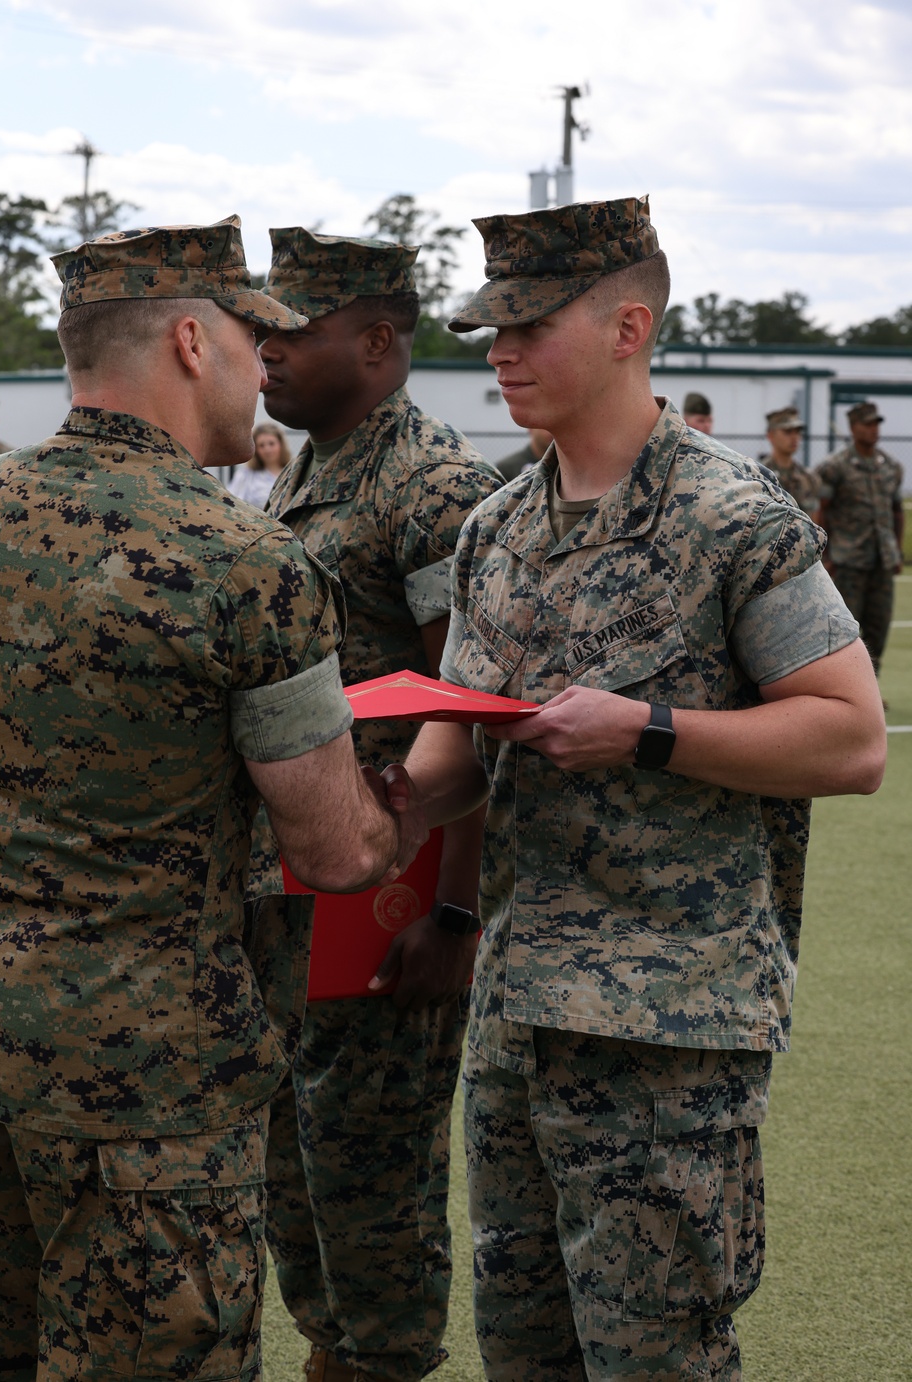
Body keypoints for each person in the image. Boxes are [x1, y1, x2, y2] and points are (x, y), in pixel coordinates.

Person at [0, 215, 426, 1380]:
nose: (269, 364)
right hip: (149, 1092)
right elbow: (338, 851)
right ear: (194, 340)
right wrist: (415, 804)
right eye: (258, 336)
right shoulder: (243, 562)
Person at [395, 195, 886, 1381]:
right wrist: (387, 781)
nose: (500, 352)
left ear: (628, 327)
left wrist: (650, 729)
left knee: (655, 1357)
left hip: (669, 1026)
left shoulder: (730, 515)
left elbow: (849, 737)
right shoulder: (494, 529)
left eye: (529, 324)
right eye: (488, 330)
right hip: (517, 1014)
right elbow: (455, 757)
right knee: (525, 1349)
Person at [258, 226, 502, 1382]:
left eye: (289, 329)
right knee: (296, 1177)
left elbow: (473, 710)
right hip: (293, 888)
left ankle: (377, 1361)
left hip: (384, 892)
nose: (264, 347)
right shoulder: (305, 469)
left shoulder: (434, 484)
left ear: (375, 340)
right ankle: (334, 1354)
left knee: (368, 1184)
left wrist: (452, 912)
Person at [815, 401, 905, 679]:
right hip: (848, 561)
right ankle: (843, 688)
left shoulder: (890, 466)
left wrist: (897, 551)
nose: (873, 429)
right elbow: (822, 510)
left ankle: (869, 690)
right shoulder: (834, 467)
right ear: (853, 428)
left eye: (876, 423)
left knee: (878, 628)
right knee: (844, 631)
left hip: (881, 561)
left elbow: (896, 511)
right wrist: (824, 556)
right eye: (867, 424)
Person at [761, 406, 819, 513]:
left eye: (797, 432)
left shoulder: (808, 478)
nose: (794, 437)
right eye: (787, 432)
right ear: (770, 435)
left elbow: (814, 520)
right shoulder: (759, 476)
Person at [227, 420, 293, 508]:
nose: (267, 450)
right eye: (261, 445)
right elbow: (231, 502)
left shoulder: (293, 472)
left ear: (281, 444)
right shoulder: (246, 475)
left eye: (271, 443)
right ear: (255, 449)